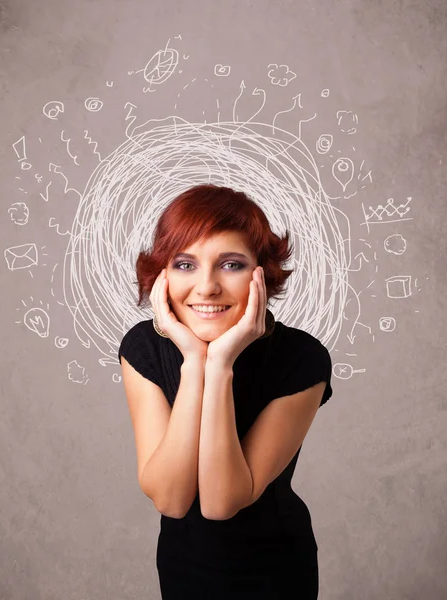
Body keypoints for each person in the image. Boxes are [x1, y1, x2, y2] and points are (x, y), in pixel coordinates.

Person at [118, 184, 333, 599]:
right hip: (184, 567)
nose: (206, 287)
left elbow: (221, 502)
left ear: (261, 275)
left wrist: (219, 366)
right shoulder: (143, 348)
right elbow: (171, 499)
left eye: (230, 265)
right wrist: (193, 360)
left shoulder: (301, 357)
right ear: (162, 274)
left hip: (276, 571)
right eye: (185, 265)